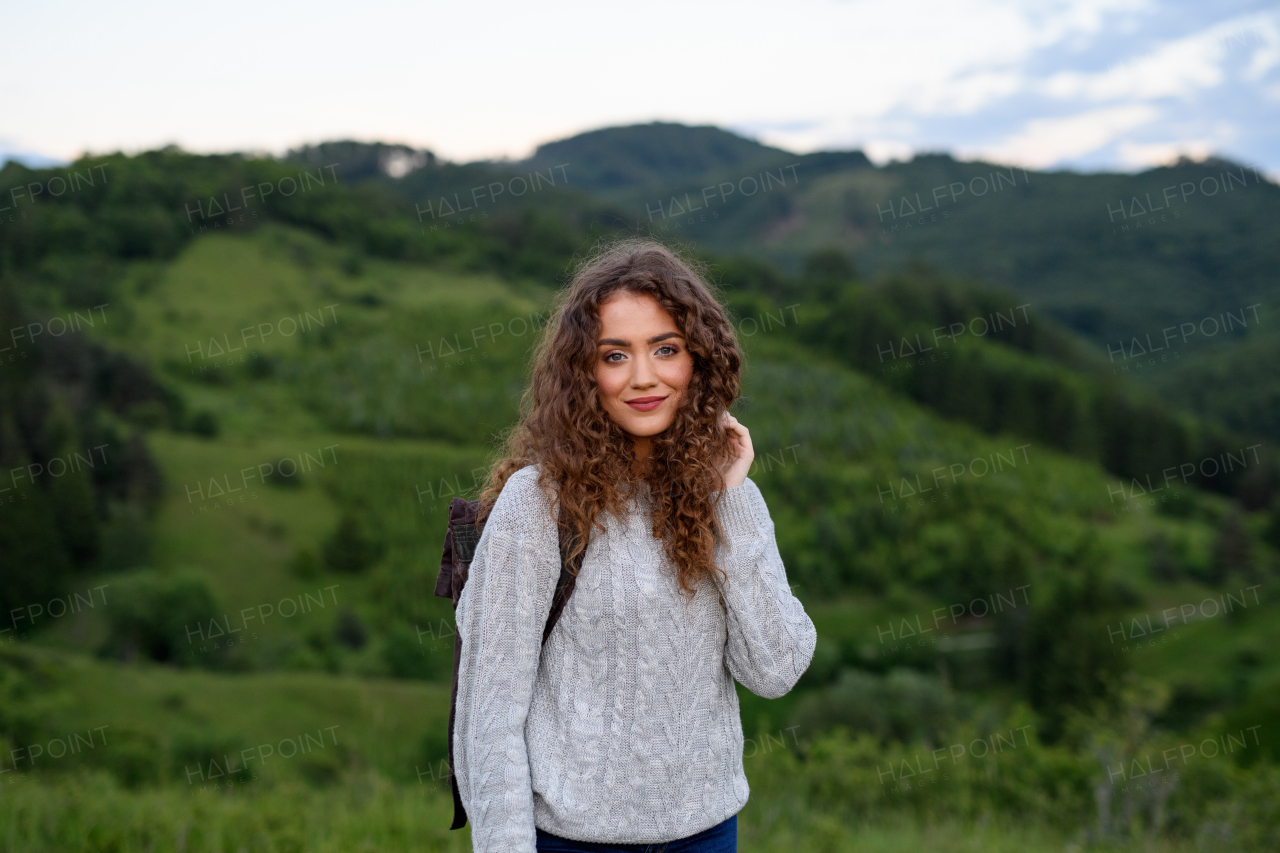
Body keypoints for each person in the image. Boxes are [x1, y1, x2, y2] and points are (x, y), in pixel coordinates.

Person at [452, 239, 816, 853]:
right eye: (615, 355)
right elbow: (489, 714)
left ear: (699, 361)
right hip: (568, 842)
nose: (643, 377)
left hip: (705, 836)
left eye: (666, 350)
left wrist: (728, 499)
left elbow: (776, 670)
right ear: (583, 372)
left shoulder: (729, 499)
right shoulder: (536, 504)